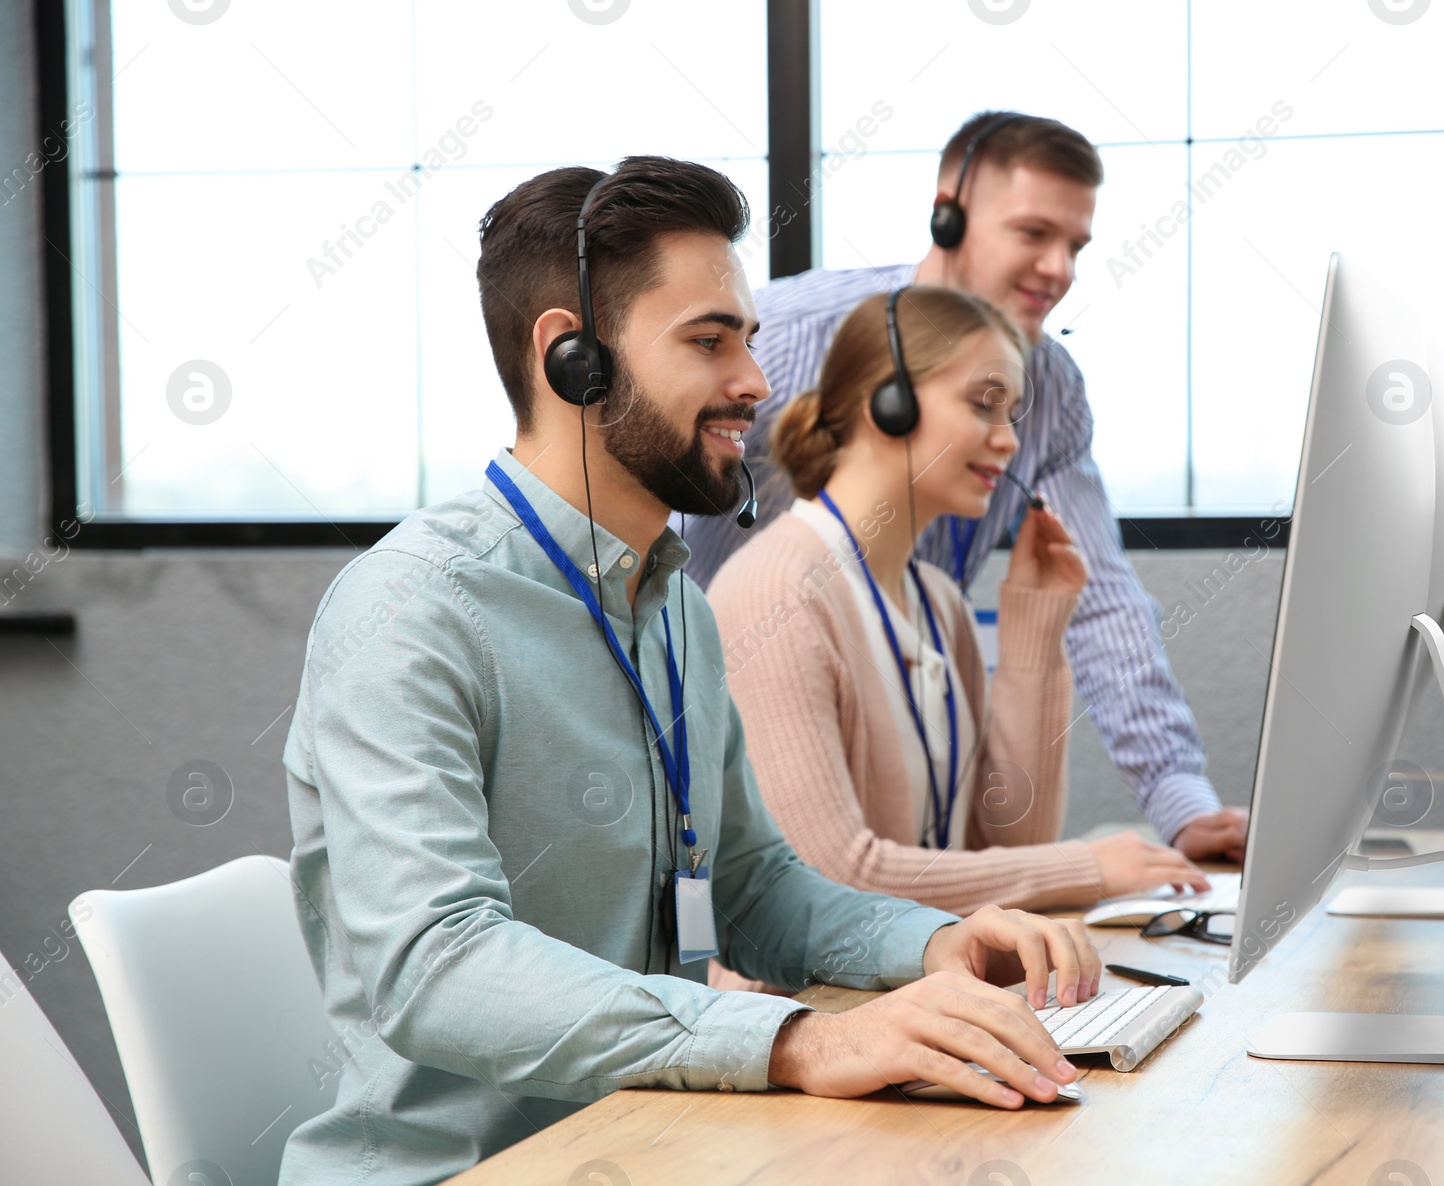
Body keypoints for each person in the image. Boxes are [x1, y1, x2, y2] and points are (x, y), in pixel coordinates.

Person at [278, 157, 1104, 1186]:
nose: (756, 383)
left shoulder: (673, 605)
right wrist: (802, 1040)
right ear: (571, 357)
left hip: (653, 1147)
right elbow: (435, 966)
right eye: (709, 341)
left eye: (751, 340)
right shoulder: (411, 611)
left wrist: (936, 944)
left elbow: (755, 884)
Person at [684, 111, 1248, 863]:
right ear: (949, 208)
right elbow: (640, 495)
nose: (1061, 268)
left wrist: (1180, 798)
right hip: (736, 711)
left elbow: (1103, 598)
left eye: (1076, 246)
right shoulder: (780, 336)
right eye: (1033, 233)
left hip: (903, 714)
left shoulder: (1044, 391)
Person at [704, 287, 1206, 994]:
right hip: (807, 1024)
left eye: (1013, 413)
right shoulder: (776, 590)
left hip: (920, 1005)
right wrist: (1086, 867)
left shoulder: (937, 601)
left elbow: (1006, 854)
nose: (1009, 439)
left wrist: (1034, 621)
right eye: (984, 402)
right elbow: (833, 878)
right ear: (890, 403)